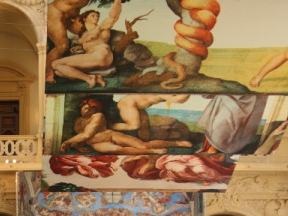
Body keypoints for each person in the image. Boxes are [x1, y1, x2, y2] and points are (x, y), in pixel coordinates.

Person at [60, 98, 193, 155]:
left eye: (90, 107)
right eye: (85, 107)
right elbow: (83, 136)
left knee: (142, 145)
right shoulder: (78, 120)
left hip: (110, 135)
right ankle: (152, 152)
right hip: (96, 143)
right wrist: (78, 145)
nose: (87, 110)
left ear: (96, 109)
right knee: (118, 150)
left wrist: (67, 141)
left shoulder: (98, 116)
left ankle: (177, 143)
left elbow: (87, 134)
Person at [49, 0, 123, 88]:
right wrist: (80, 47)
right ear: (85, 18)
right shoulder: (83, 35)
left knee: (55, 64)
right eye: (93, 16)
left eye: (97, 16)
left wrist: (117, 1)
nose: (96, 18)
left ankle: (88, 78)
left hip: (102, 55)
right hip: (93, 58)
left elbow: (113, 17)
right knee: (59, 72)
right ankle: (95, 77)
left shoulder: (102, 27)